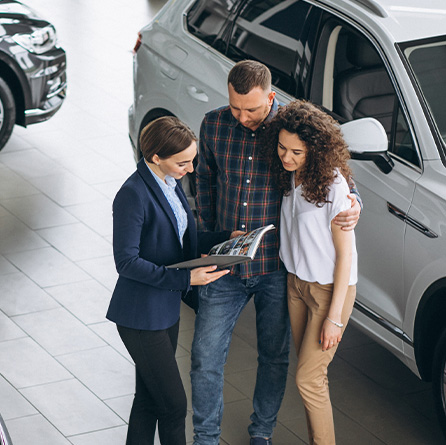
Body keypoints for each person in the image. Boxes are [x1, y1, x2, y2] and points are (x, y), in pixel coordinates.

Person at [190, 60, 361, 445]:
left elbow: (336, 178)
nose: (242, 116)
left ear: (271, 97)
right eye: (235, 107)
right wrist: (209, 236)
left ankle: (261, 434)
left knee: (275, 357)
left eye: (251, 109)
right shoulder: (215, 125)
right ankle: (205, 438)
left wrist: (355, 203)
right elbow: (204, 179)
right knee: (205, 357)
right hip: (225, 265)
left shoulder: (293, 132)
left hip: (275, 269)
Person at [107, 116, 240, 444]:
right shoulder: (132, 194)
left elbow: (182, 238)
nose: (191, 169)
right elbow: (126, 262)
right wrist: (186, 278)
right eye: (183, 162)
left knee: (149, 399)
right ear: (155, 157)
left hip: (164, 309)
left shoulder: (169, 183)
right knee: (174, 405)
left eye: (192, 160)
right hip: (140, 316)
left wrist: (227, 237)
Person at [264, 100, 358, 445]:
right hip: (296, 286)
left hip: (329, 292)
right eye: (282, 147)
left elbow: (346, 257)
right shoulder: (289, 175)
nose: (286, 157)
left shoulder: (334, 187)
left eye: (296, 152)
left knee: (308, 378)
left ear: (315, 152)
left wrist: (335, 318)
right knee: (313, 378)